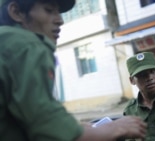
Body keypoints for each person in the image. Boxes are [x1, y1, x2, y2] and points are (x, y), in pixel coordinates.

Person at [0, 0, 147, 141]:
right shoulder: (26, 46)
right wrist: (116, 128)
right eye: (49, 10)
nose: (60, 20)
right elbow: (50, 128)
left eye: (58, 12)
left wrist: (78, 128)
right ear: (16, 12)